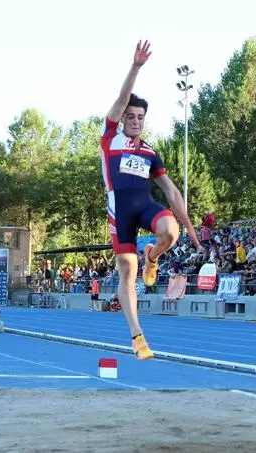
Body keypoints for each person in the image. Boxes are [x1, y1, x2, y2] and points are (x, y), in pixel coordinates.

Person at [101, 40, 201, 360]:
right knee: (127, 271)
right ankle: (137, 335)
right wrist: (136, 67)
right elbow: (120, 100)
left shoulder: (149, 153)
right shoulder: (110, 137)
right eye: (130, 115)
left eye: (140, 116)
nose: (135, 120)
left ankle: (154, 256)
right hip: (120, 211)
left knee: (171, 232)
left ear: (145, 119)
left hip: (144, 206)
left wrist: (191, 228)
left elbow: (170, 191)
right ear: (123, 117)